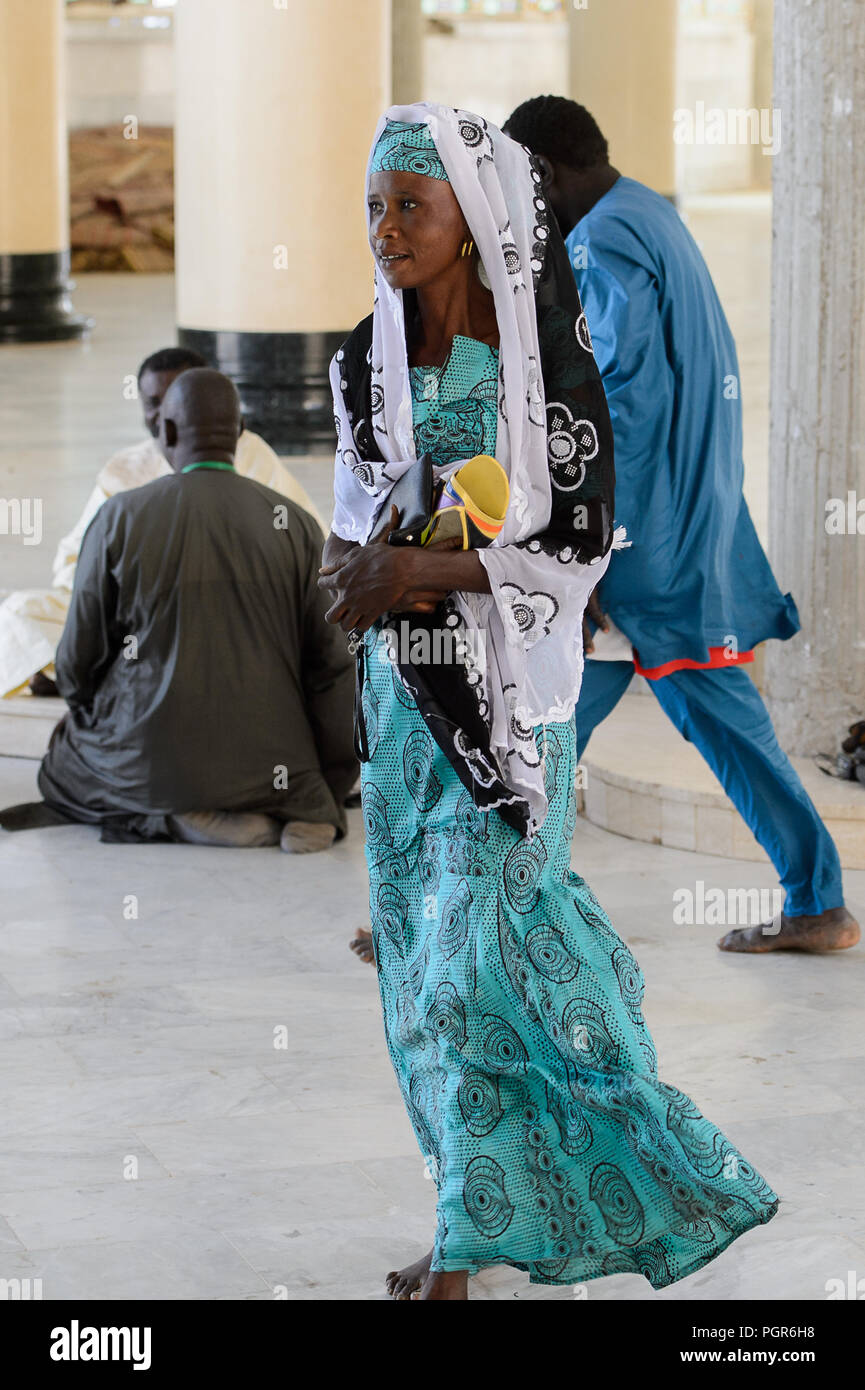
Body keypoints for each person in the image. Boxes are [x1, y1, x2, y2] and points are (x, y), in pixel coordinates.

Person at [318, 103, 777, 1301]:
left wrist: (423, 568)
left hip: (513, 708)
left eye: (409, 207)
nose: (384, 229)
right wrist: (354, 572)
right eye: (372, 207)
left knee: (492, 963)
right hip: (405, 709)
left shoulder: (543, 364)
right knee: (423, 976)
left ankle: (661, 1164)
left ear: (471, 219)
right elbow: (354, 515)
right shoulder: (361, 360)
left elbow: (575, 545)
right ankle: (466, 1227)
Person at [504, 95, 859, 957]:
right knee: (554, 727)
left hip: (643, 548)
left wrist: (585, 544)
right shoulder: (649, 212)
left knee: (543, 727)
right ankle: (481, 908)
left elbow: (621, 404)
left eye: (518, 183)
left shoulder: (602, 241)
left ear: (542, 172)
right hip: (681, 530)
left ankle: (477, 911)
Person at [8, 369, 354, 850]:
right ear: (239, 431)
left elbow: (75, 663)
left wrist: (88, 716)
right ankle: (300, 809)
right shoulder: (293, 522)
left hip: (151, 763)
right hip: (279, 767)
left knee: (59, 770)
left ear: (167, 432)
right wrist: (330, 782)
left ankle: (178, 816)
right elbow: (333, 666)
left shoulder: (119, 516)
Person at [0, 346, 323, 700]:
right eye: (152, 402)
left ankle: (90, 672)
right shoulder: (125, 469)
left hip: (228, 615)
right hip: (137, 620)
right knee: (20, 612)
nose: (161, 411)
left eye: (174, 396)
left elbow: (307, 554)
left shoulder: (252, 457)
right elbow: (75, 563)